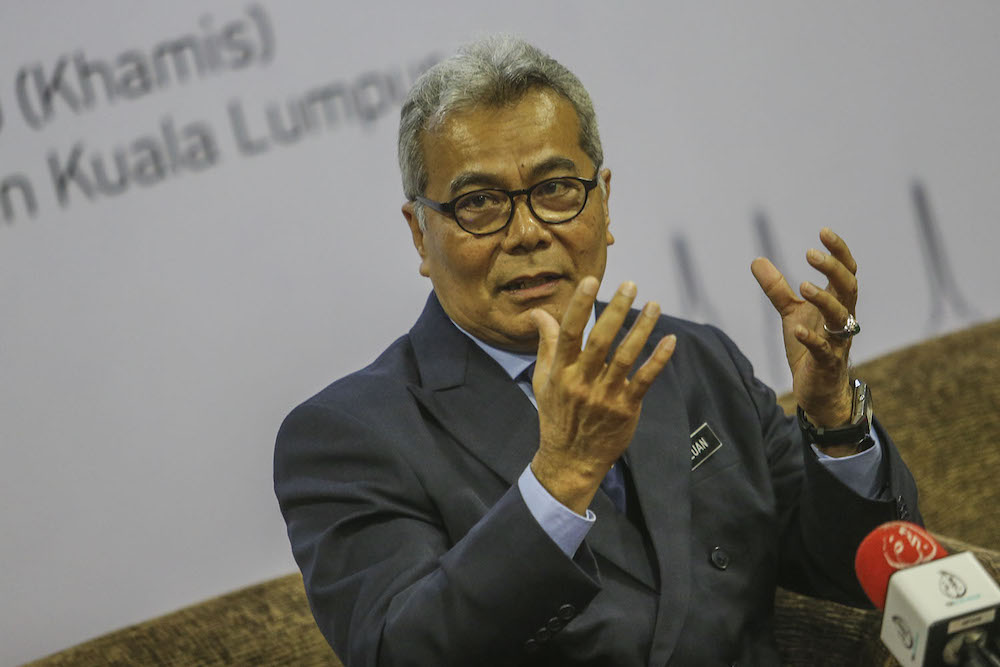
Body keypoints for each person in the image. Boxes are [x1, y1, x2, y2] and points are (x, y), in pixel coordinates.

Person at [274, 36, 920, 666]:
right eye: (479, 203)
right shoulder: (348, 437)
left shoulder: (690, 359)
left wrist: (835, 421)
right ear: (421, 234)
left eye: (556, 189)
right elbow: (403, 649)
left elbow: (859, 578)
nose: (527, 232)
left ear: (604, 202)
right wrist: (561, 478)